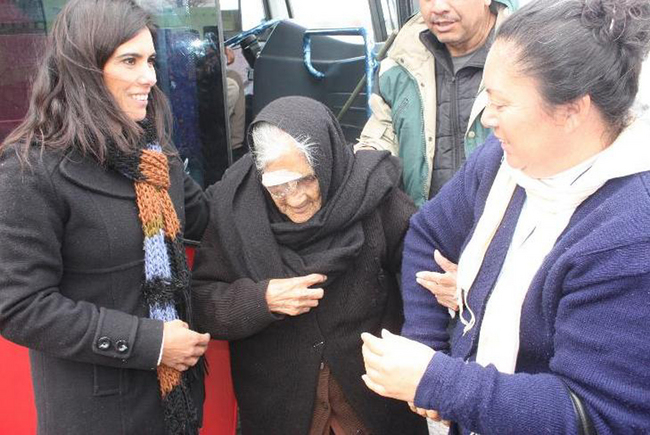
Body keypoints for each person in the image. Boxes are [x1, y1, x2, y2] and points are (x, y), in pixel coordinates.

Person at [361, 0, 650, 433]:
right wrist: (427, 343)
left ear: (572, 110)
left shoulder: (628, 236)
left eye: (501, 102)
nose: (487, 117)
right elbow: (427, 233)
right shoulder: (501, 163)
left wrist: (436, 381)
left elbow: (593, 414)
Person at [0, 1, 210, 434]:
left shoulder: (155, 156)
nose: (149, 77)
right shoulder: (30, 170)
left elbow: (208, 218)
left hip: (177, 404)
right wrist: (151, 343)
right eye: (130, 61)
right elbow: (20, 306)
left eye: (150, 61)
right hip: (99, 414)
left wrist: (282, 177)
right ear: (85, 69)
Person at [191, 96, 426, 435]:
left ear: (328, 162)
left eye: (306, 180)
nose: (296, 197)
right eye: (278, 187)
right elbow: (201, 302)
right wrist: (261, 300)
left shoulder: (372, 194)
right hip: (278, 410)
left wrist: (418, 346)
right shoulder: (236, 210)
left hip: (376, 405)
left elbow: (421, 269)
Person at [356, 0, 517, 207]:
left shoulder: (530, 58)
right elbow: (381, 138)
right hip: (420, 221)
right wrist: (362, 171)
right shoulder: (399, 66)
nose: (439, 7)